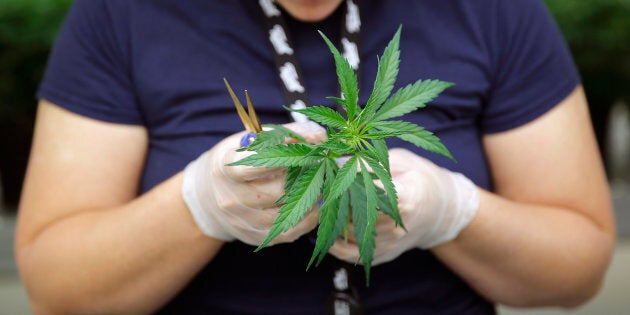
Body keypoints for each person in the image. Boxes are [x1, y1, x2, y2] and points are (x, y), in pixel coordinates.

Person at [15, 0, 615, 314]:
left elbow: (579, 266)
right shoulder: (119, 14)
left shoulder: (496, 11)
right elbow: (54, 287)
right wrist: (196, 206)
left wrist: (452, 212)